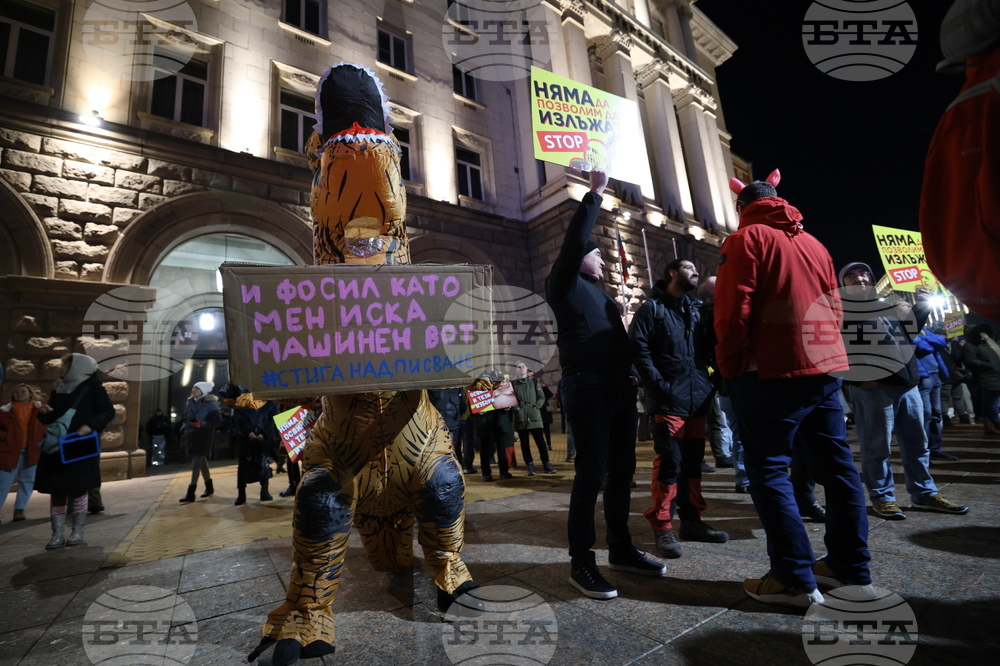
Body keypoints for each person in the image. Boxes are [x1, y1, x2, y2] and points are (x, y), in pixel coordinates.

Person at [715, 172, 871, 607]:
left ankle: (793, 579)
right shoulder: (815, 243)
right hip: (823, 369)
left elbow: (732, 312)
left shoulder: (745, 240)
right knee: (839, 469)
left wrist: (730, 367)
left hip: (770, 373)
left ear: (741, 207)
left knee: (768, 469)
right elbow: (833, 306)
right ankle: (850, 568)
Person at [545, 169, 665, 601]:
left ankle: (620, 548)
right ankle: (582, 562)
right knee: (591, 473)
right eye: (597, 255)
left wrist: (634, 373)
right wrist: (594, 194)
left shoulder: (605, 297)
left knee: (622, 473)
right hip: (586, 388)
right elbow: (576, 241)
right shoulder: (563, 284)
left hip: (617, 390)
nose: (603, 260)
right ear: (580, 258)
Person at [839, 263, 969, 520]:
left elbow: (907, 333)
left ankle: (924, 492)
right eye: (851, 276)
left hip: (907, 384)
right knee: (877, 447)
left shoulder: (885, 304)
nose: (859, 278)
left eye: (863, 273)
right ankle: (882, 497)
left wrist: (920, 306)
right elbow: (839, 346)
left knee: (917, 444)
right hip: (874, 388)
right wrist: (861, 380)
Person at [629, 259, 729, 560]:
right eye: (688, 267)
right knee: (670, 462)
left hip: (698, 399)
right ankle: (662, 525)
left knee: (693, 462)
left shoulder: (698, 310)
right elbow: (638, 349)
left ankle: (692, 521)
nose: (695, 271)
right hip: (668, 400)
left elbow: (714, 347)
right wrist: (660, 386)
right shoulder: (652, 309)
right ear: (672, 272)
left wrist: (713, 382)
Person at [35, 354, 115, 549]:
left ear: (77, 367)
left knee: (79, 489)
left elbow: (107, 412)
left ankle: (77, 531)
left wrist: (90, 425)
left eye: (65, 364)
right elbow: (55, 417)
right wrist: (46, 414)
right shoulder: (60, 388)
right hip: (58, 446)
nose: (60, 367)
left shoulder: (93, 387)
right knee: (57, 490)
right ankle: (57, 534)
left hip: (81, 444)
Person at [0, 384, 45, 522]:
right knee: (3, 482)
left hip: (32, 450)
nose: (19, 394)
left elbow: (46, 426)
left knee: (27, 481)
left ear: (30, 393)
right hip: (10, 450)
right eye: (16, 392)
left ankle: (20, 509)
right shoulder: (4, 411)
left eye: (23, 391)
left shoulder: (40, 409)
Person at [915, 327, 958, 460]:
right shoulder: (906, 328)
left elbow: (941, 340)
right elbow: (923, 347)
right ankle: (924, 452)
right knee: (926, 414)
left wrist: (927, 339)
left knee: (935, 413)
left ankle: (935, 448)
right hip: (924, 376)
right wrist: (932, 341)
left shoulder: (922, 329)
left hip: (935, 374)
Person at [178, 381, 221, 503]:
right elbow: (185, 418)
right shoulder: (189, 403)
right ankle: (209, 488)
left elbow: (217, 421)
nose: (193, 390)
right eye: (193, 388)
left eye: (196, 388)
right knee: (202, 462)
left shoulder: (211, 404)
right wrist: (184, 428)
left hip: (204, 435)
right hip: (191, 435)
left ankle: (191, 493)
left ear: (203, 391)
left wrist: (201, 424)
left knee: (196, 462)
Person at [511, 362, 556, 475]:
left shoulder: (534, 381)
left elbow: (541, 396)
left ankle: (546, 463)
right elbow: (510, 398)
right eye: (518, 367)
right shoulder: (512, 384)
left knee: (540, 442)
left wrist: (537, 406)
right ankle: (530, 465)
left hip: (534, 416)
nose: (521, 368)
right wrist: (517, 409)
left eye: (523, 366)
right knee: (524, 444)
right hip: (521, 417)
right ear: (516, 370)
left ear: (526, 368)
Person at [963, 324, 1000, 435]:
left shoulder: (987, 344)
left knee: (989, 403)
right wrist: (989, 365)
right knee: (992, 403)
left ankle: (989, 425)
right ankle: (995, 424)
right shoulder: (971, 345)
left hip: (994, 377)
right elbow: (971, 361)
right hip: (986, 377)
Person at [428, 387, 465, 464]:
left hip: (437, 422)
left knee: (439, 448)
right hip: (453, 420)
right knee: (454, 448)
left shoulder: (431, 387)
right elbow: (462, 405)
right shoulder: (456, 387)